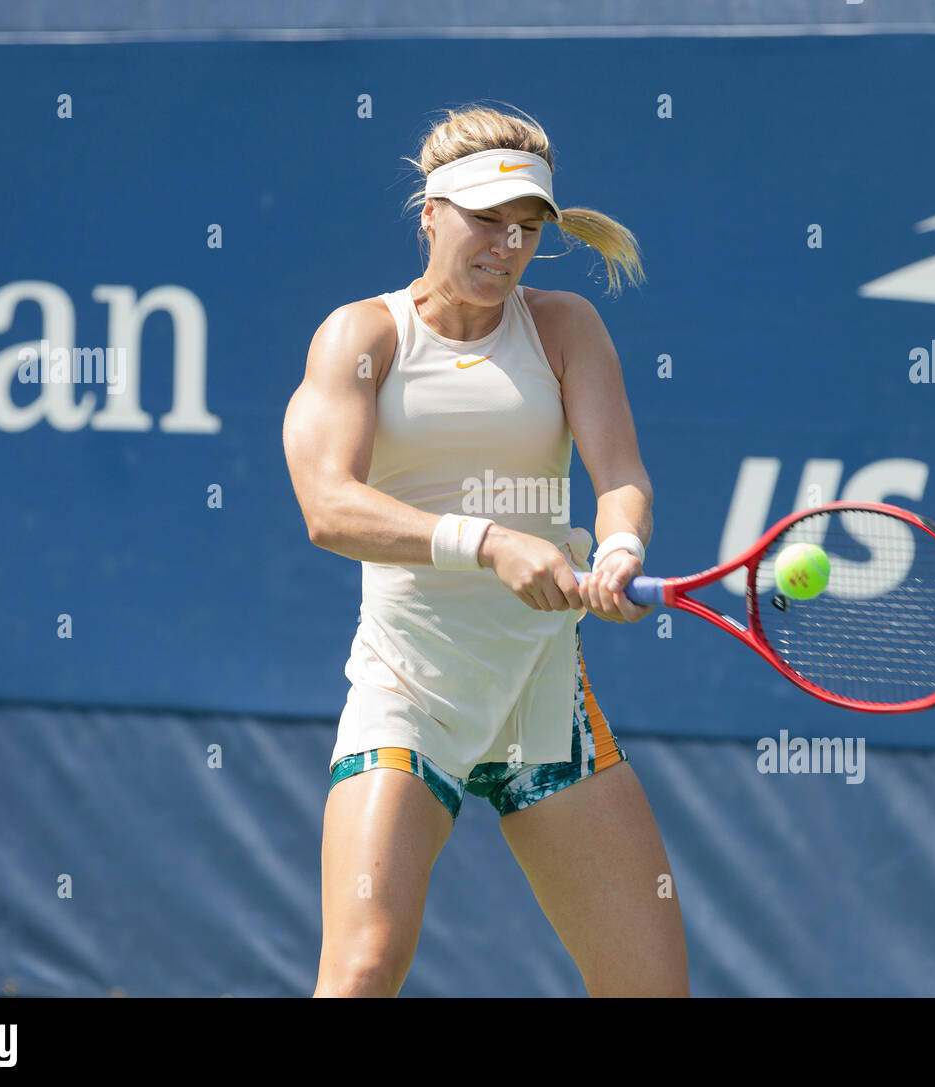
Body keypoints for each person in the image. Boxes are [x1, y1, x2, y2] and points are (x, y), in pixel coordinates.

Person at [283, 104, 689, 997]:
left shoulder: (565, 326)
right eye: (484, 222)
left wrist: (618, 545)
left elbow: (621, 474)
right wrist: (490, 542)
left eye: (526, 230)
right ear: (429, 213)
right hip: (408, 694)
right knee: (360, 968)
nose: (506, 247)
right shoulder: (363, 336)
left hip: (542, 700)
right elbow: (328, 505)